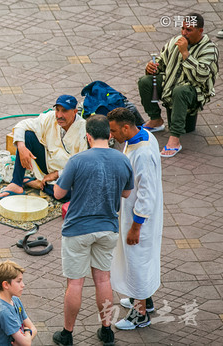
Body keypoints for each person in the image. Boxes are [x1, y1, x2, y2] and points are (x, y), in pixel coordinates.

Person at [52, 115, 134, 346]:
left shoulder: (77, 160)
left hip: (77, 229)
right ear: (109, 135)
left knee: (75, 283)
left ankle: (67, 334)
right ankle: (106, 331)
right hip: (108, 228)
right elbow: (127, 193)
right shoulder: (122, 159)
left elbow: (59, 194)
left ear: (87, 136)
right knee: (103, 280)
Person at [107, 108, 163, 329]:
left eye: (114, 130)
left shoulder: (143, 153)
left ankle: (140, 314)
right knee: (137, 260)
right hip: (132, 214)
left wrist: (136, 227)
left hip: (139, 219)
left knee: (137, 261)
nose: (112, 135)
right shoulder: (142, 136)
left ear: (126, 127)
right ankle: (143, 299)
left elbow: (146, 193)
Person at [137, 13, 219, 157]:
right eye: (183, 29)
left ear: (200, 31)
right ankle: (156, 120)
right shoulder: (175, 41)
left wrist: (186, 54)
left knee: (180, 91)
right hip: (171, 84)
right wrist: (152, 67)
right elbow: (162, 63)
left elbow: (201, 77)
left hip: (194, 92)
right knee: (145, 81)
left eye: (189, 30)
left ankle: (175, 139)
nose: (184, 33)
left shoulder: (209, 49)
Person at [0, 95, 87, 200]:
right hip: (48, 164)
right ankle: (16, 183)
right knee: (28, 136)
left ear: (75, 112)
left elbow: (82, 164)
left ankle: (39, 184)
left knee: (69, 194)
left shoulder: (84, 129)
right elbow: (22, 125)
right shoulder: (50, 117)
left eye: (64, 111)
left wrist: (57, 174)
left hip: (67, 173)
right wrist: (21, 147)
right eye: (57, 110)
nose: (59, 115)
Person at [0, 260, 37, 346]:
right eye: (18, 281)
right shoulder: (4, 312)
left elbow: (34, 329)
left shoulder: (15, 300)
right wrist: (27, 331)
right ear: (5, 285)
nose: (23, 285)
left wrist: (26, 338)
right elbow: (26, 342)